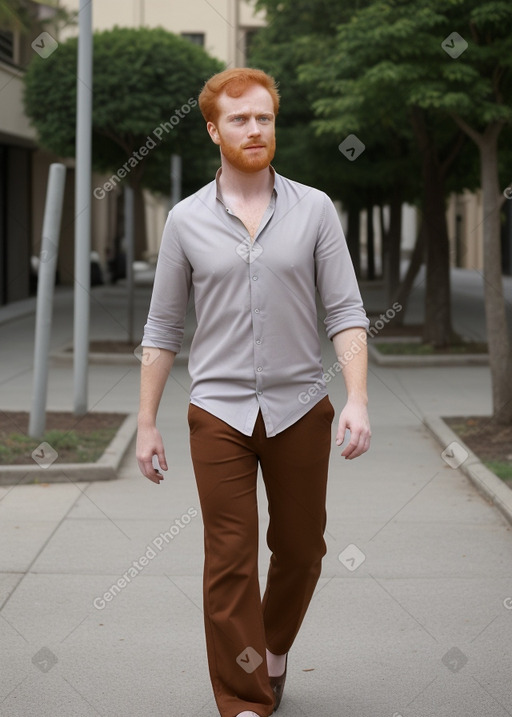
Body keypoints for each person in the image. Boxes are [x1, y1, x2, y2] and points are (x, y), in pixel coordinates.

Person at [136, 67, 371, 717]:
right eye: (240, 119)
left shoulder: (315, 209)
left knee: (301, 547)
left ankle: (271, 647)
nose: (255, 128)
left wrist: (357, 397)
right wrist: (146, 421)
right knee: (229, 555)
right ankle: (244, 698)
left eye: (264, 117)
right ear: (214, 130)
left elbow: (346, 311)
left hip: (301, 408)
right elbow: (163, 327)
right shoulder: (185, 221)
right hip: (218, 412)